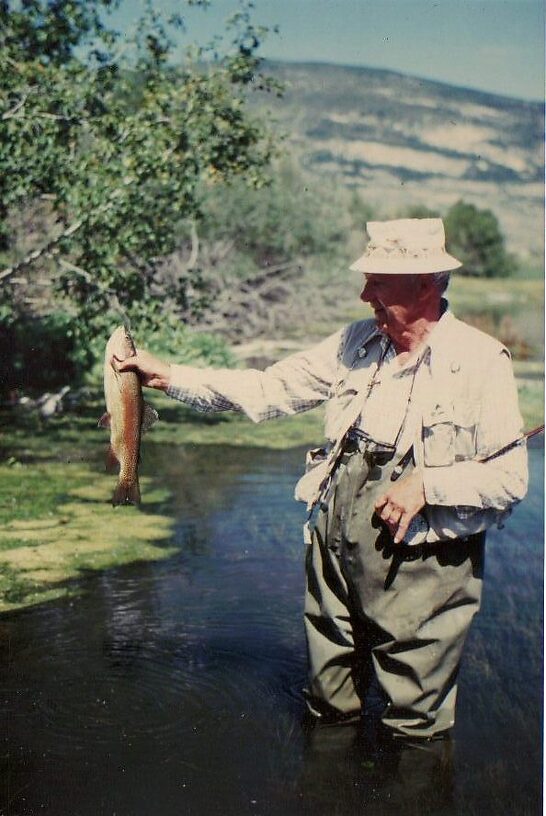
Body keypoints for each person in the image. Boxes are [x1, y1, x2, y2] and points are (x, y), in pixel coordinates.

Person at [117, 218, 528, 741]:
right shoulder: (353, 342)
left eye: (377, 282)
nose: (364, 295)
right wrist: (168, 375)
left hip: (424, 564)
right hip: (333, 543)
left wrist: (430, 484)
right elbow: (269, 390)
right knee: (327, 701)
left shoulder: (480, 361)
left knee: (414, 723)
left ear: (424, 283)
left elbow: (510, 480)